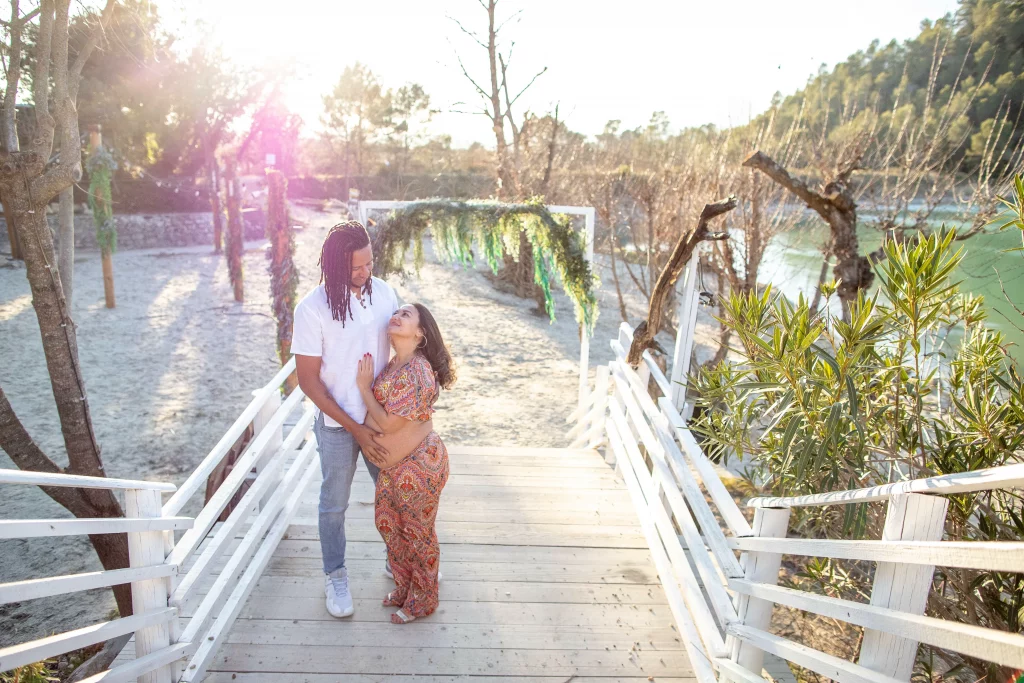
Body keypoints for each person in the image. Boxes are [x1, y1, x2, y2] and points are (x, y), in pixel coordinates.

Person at [291, 221, 431, 619]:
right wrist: (355, 428)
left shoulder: (386, 294)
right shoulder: (312, 309)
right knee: (333, 504)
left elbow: (408, 348)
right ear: (334, 265)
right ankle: (335, 575)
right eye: (355, 267)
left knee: (395, 497)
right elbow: (307, 380)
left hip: (382, 421)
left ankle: (398, 563)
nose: (365, 272)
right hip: (339, 426)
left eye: (369, 263)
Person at [356, 302, 455, 624]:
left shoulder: (418, 370)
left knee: (417, 533)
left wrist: (362, 388)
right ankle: (404, 587)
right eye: (395, 311)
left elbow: (386, 424)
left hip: (420, 465)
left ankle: (423, 600)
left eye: (406, 315)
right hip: (393, 468)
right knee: (388, 526)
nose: (395, 316)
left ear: (421, 333)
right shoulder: (394, 366)